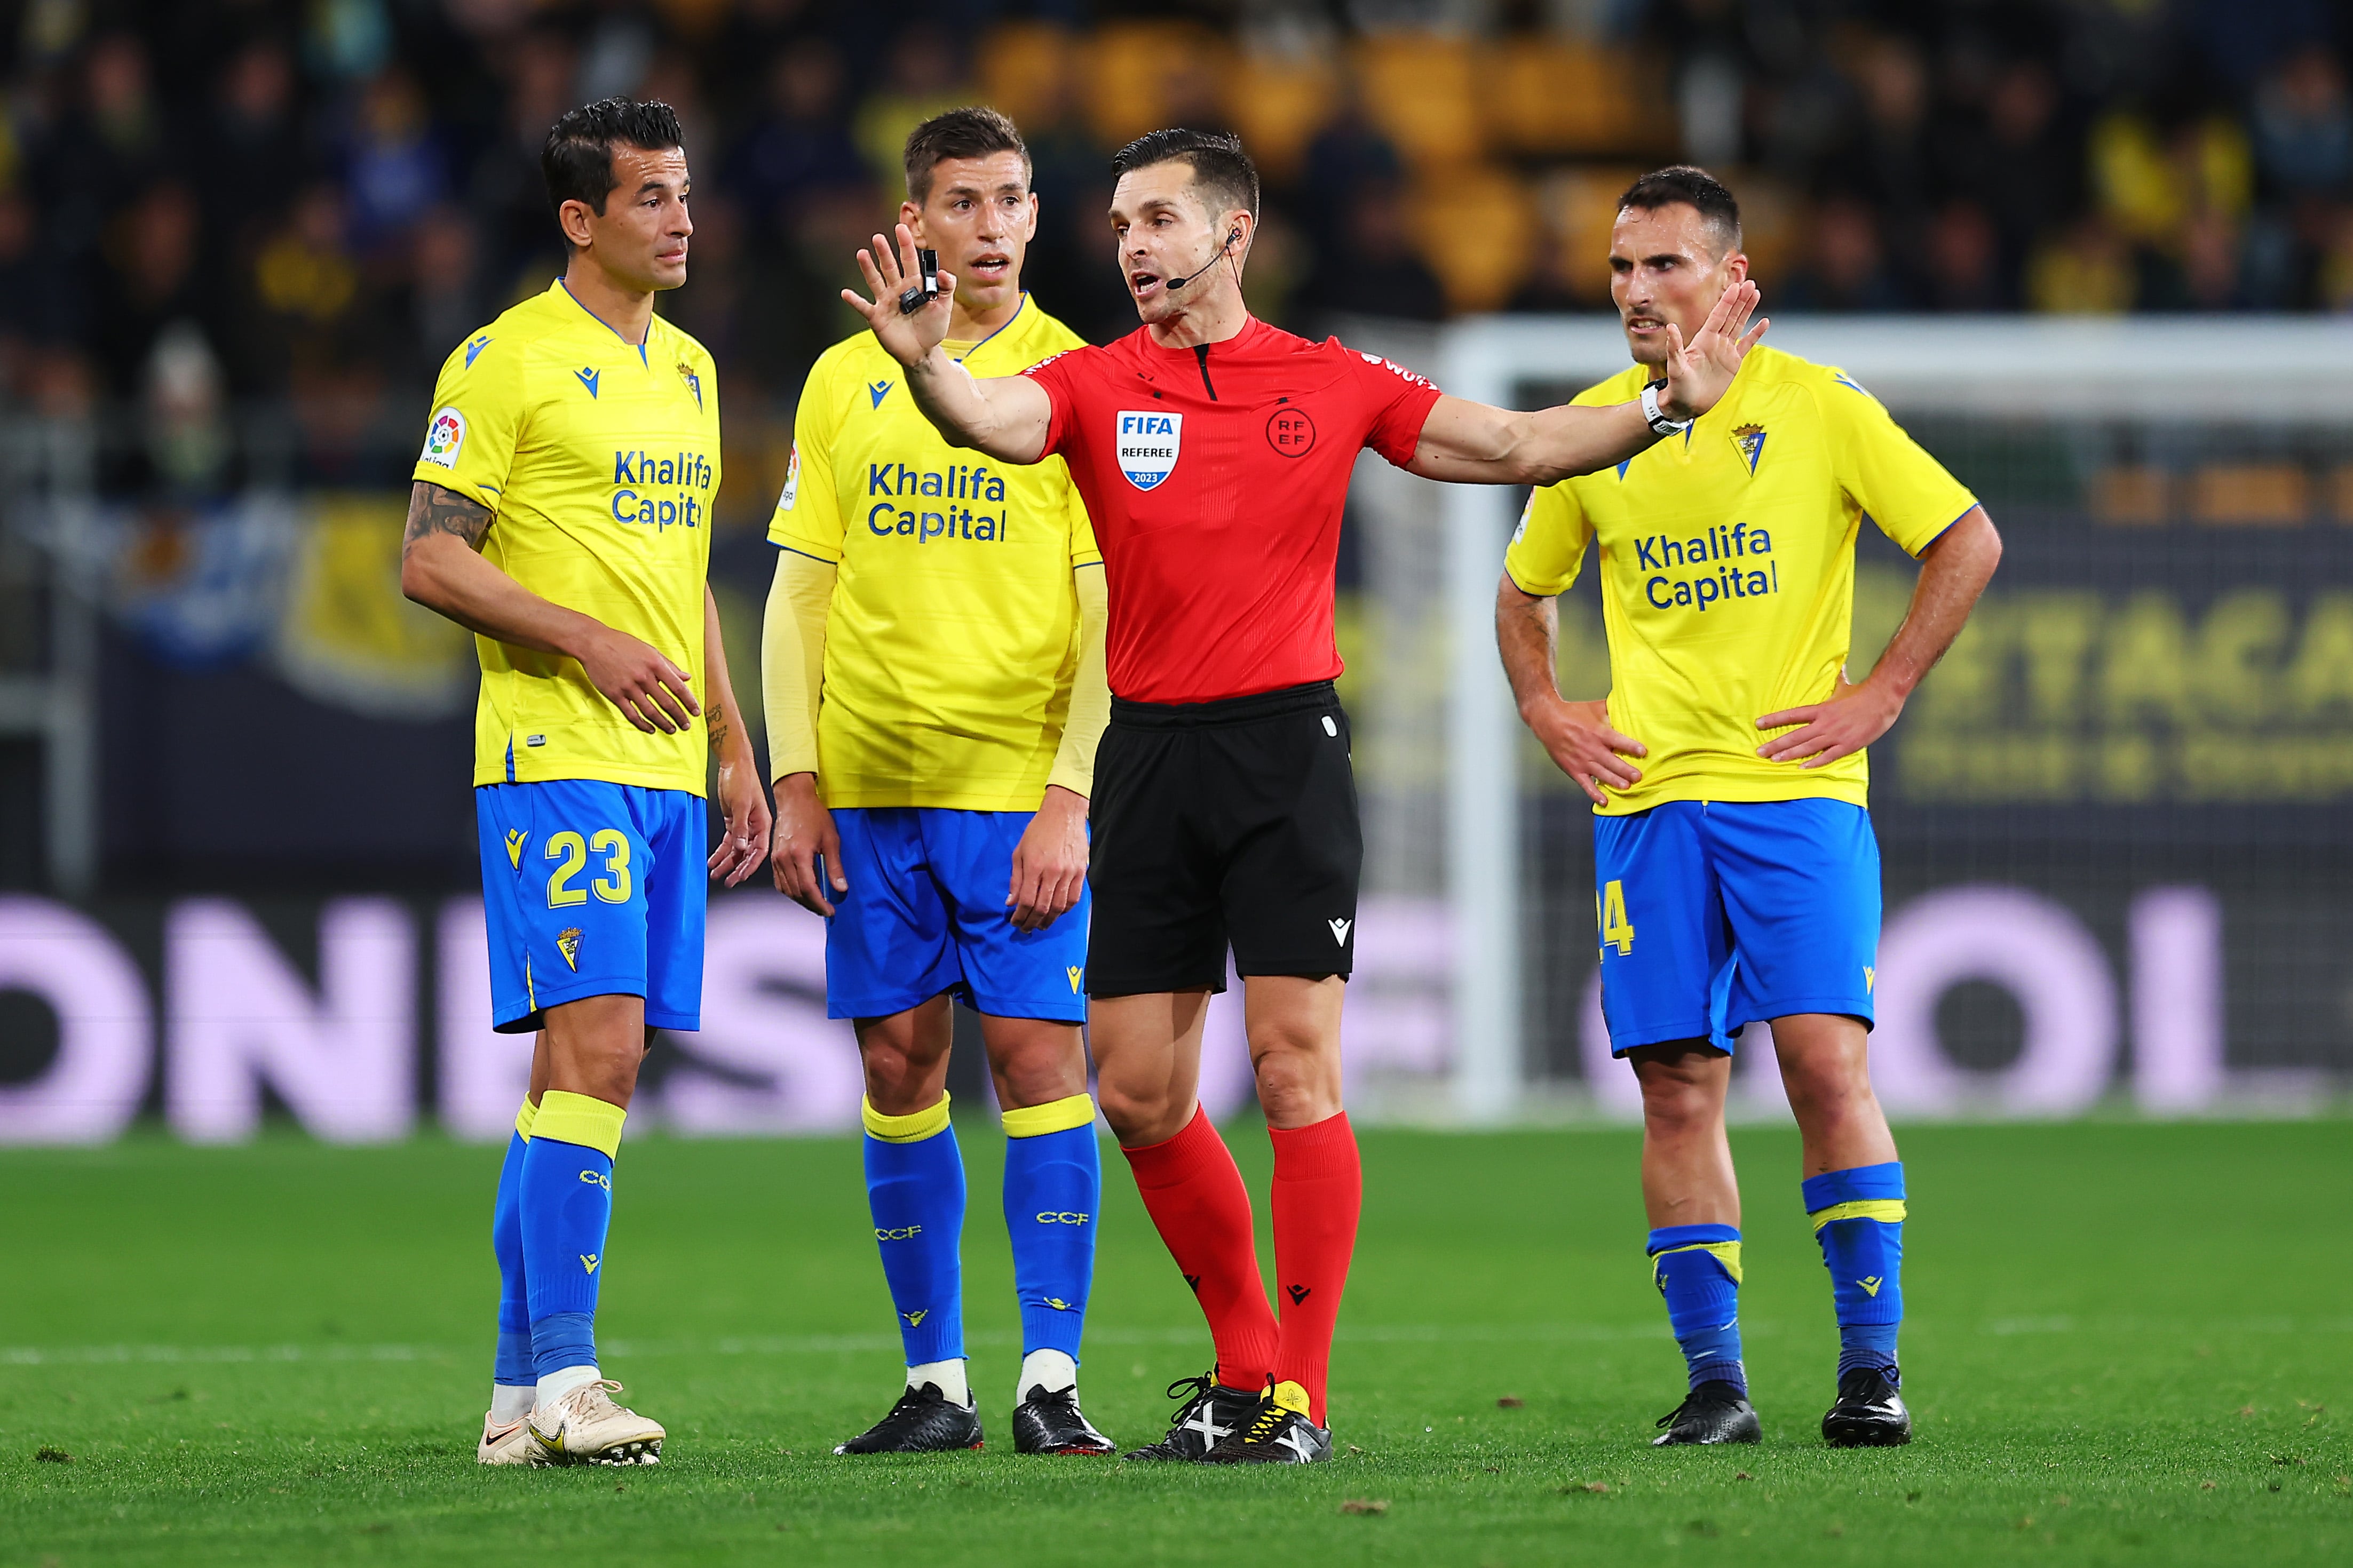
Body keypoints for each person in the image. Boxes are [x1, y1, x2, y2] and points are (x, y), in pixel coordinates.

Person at [839, 128, 1763, 1464]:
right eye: (1119, 226)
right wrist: (928, 366)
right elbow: (994, 421)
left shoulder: (1329, 382)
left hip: (1285, 754)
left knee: (1290, 1068)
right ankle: (1242, 1368)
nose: (1133, 247)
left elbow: (1512, 443)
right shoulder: (1092, 385)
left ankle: (1297, 1399)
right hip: (1148, 759)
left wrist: (1667, 406)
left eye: (1157, 221)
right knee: (1141, 1094)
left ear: (1232, 235)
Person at [1495, 166, 2003, 1448]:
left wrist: (1883, 692)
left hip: (1793, 796)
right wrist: (1549, 712)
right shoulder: (1601, 429)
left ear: (1732, 279)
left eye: (1665, 264)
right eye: (1620, 267)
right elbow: (1523, 590)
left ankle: (1870, 1371)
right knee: (1676, 1089)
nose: (1635, 291)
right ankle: (1716, 1384)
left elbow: (1968, 540)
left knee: (1828, 1066)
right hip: (1651, 804)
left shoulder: (1818, 409)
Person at [399, 98, 770, 1468]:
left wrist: (735, 742)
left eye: (686, 193)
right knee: (601, 1051)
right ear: (582, 220)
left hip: (671, 762)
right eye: (653, 199)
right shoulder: (503, 362)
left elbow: (685, 585)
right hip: (555, 752)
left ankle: (510, 1406)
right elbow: (430, 560)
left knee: (576, 1068)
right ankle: (571, 1376)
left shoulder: (691, 370)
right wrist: (590, 642)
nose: (682, 220)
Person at [763, 107, 1115, 1459]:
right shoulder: (841, 382)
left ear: (1034, 217)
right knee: (898, 1063)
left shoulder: (1079, 385)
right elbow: (802, 592)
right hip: (872, 794)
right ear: (914, 222)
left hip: (1012, 790)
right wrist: (798, 779)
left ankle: (1050, 1379)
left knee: (1038, 1062)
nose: (984, 227)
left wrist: (1070, 799)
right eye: (958, 203)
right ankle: (939, 1385)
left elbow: (1101, 608)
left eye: (1007, 201)